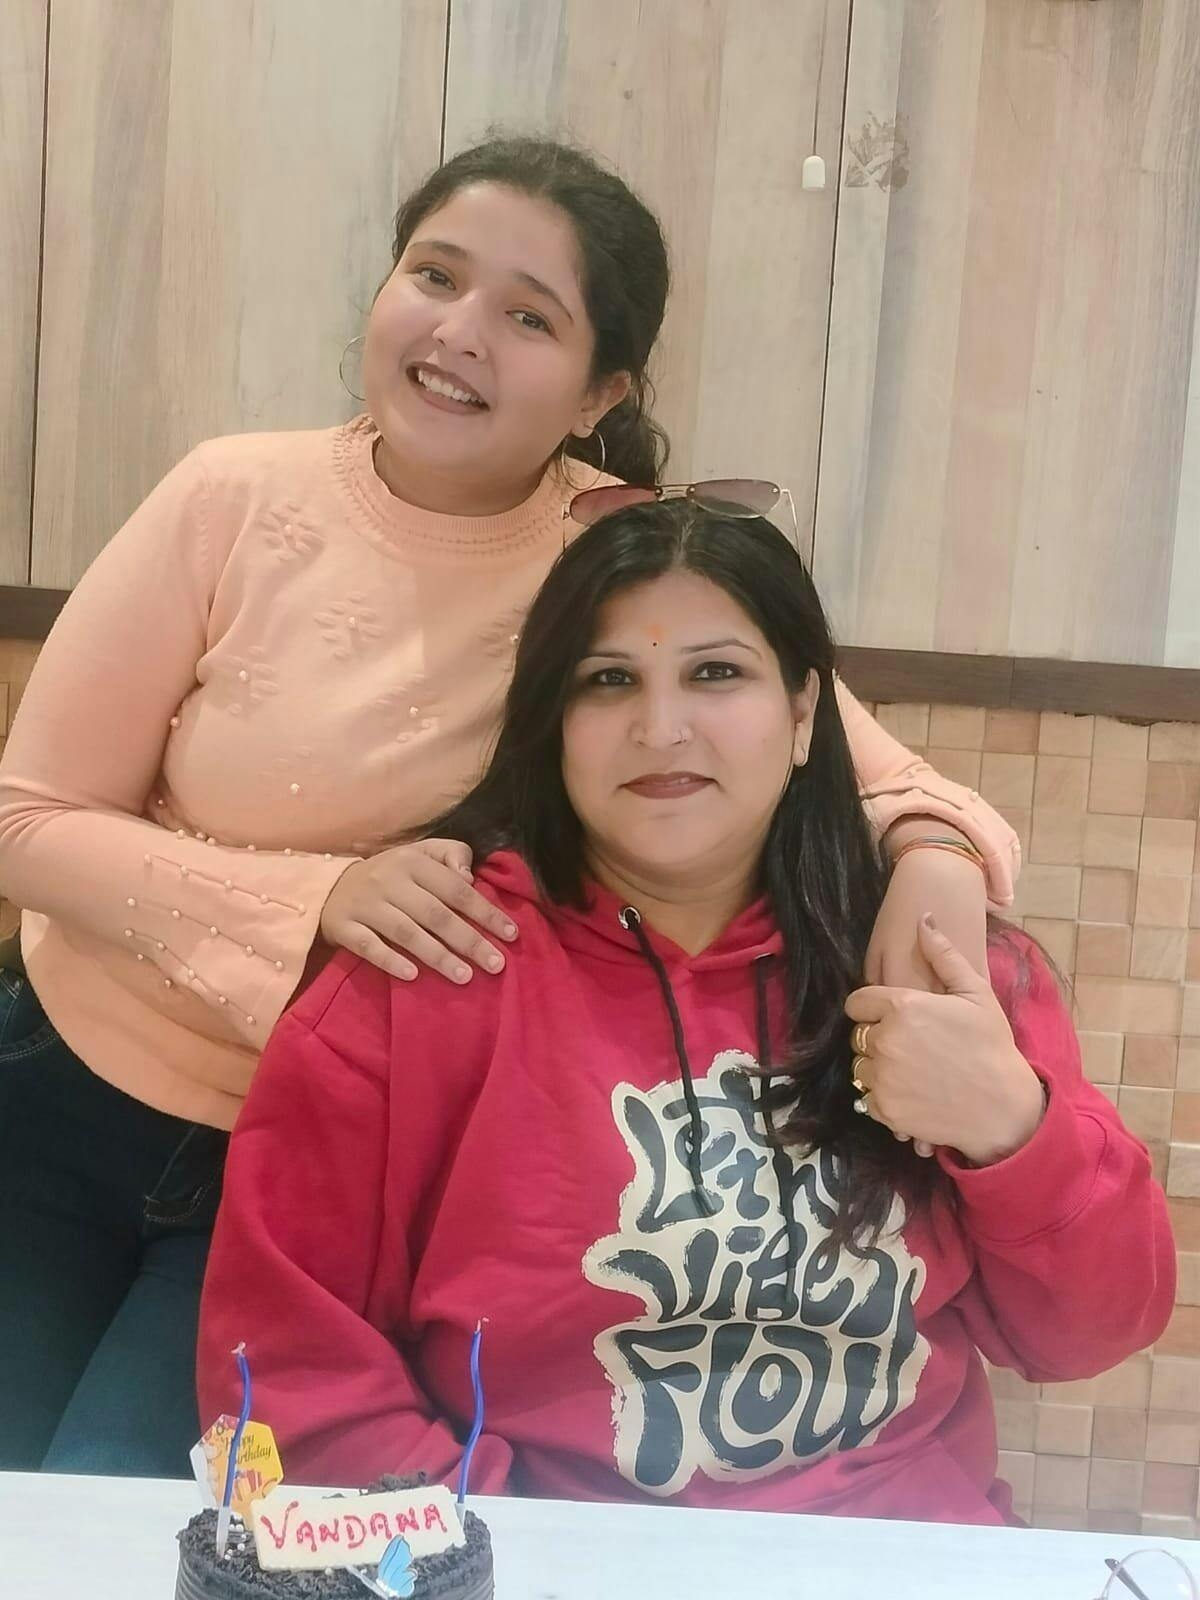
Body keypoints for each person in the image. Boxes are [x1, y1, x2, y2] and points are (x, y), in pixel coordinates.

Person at [0, 137, 1018, 1477]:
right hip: (54, 1090)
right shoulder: (229, 495)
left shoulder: (615, 557)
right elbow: (28, 818)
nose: (460, 332)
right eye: (435, 275)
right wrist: (321, 898)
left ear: (602, 391)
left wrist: (937, 857)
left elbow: (863, 768)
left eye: (530, 316)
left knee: (125, 1523)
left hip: (310, 1184)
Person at [198, 499, 1171, 1524]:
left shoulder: (942, 968)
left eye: (715, 673)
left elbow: (1095, 1333)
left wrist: (1011, 1127)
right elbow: (284, 1380)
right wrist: (495, 1553)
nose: (660, 729)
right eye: (608, 680)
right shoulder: (421, 973)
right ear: (552, 723)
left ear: (805, 713)